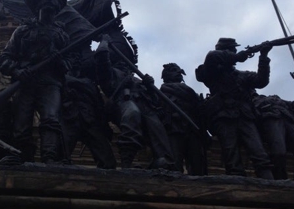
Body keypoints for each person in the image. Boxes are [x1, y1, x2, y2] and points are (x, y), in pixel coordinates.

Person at [0, 0, 72, 165]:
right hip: (25, 82)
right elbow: (4, 59)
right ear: (38, 3)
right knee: (21, 124)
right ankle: (20, 158)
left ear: (58, 6)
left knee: (51, 120)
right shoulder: (22, 31)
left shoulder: (63, 37)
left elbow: (70, 66)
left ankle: (50, 158)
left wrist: (59, 62)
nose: (50, 0)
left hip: (50, 84)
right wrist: (17, 71)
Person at [94, 35, 176, 170]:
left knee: (157, 126)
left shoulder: (138, 80)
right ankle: (127, 163)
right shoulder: (111, 74)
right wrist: (104, 42)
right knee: (132, 114)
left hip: (145, 106)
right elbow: (101, 57)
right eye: (121, 61)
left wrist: (150, 87)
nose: (125, 63)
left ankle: (165, 162)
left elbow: (155, 102)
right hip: (122, 102)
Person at [197, 37, 274, 179]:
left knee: (259, 152)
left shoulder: (242, 75)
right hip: (223, 116)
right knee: (230, 153)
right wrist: (238, 57)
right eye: (231, 49)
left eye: (234, 50)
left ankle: (269, 180)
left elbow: (261, 81)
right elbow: (212, 56)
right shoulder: (211, 72)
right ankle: (237, 181)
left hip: (245, 116)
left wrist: (263, 56)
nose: (234, 51)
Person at [254, 70, 294, 182]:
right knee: (278, 154)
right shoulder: (251, 104)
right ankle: (280, 182)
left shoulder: (283, 103)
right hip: (270, 121)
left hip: (291, 122)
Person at [61, 56, 117, 169]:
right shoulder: (64, 79)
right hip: (70, 119)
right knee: (59, 157)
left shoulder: (90, 84)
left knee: (108, 161)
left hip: (90, 121)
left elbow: (100, 107)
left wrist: (105, 126)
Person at [160, 63, 207, 175]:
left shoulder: (190, 92)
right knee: (175, 161)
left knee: (197, 161)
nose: (178, 73)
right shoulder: (162, 92)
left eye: (178, 71)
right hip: (174, 129)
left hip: (192, 129)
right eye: (174, 70)